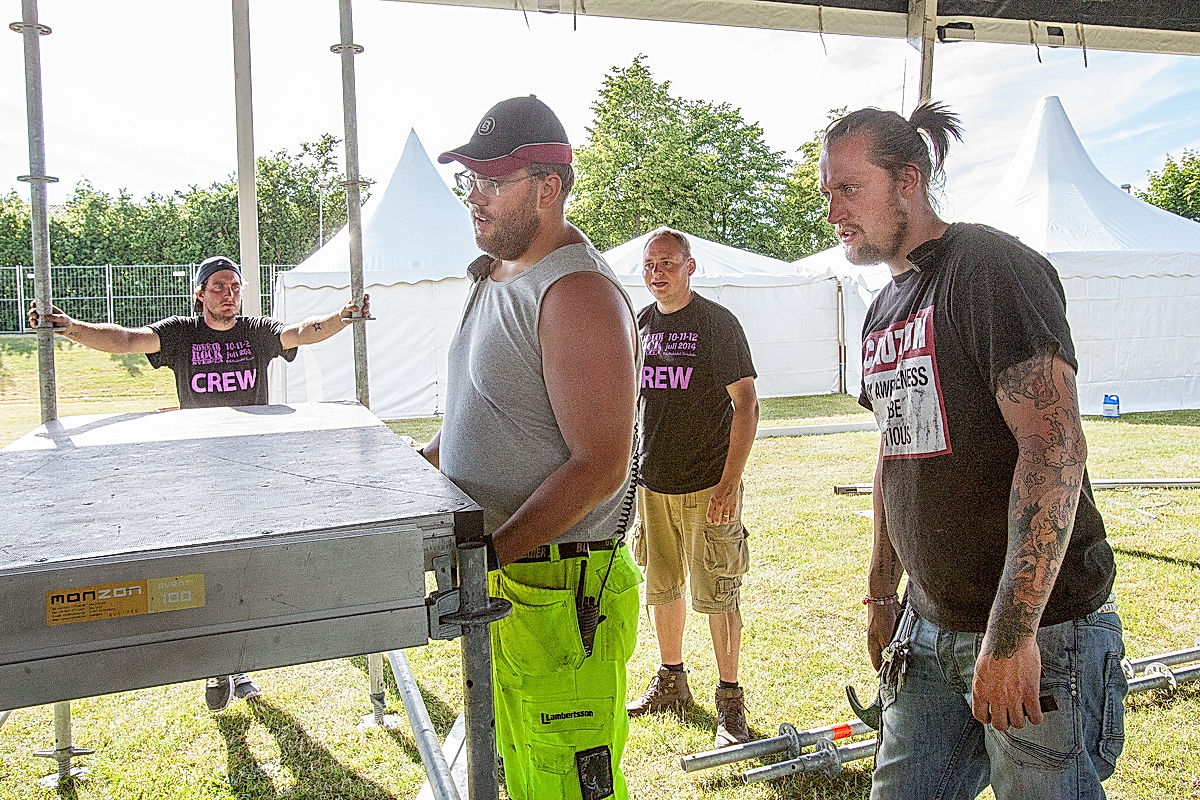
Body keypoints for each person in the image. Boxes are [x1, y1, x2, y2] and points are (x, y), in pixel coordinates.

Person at [819, 103, 1125, 800]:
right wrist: (880, 595)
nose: (832, 210)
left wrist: (1014, 635)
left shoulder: (991, 268)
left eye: (848, 188)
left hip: (1041, 631)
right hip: (928, 626)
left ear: (908, 180)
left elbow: (1054, 447)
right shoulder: (885, 307)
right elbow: (894, 459)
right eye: (826, 193)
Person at [29, 255, 369, 713]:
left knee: (248, 563)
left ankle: (238, 663)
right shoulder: (181, 333)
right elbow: (127, 339)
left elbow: (303, 332)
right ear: (199, 294)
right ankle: (217, 663)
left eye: (235, 286)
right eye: (219, 287)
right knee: (207, 569)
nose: (229, 294)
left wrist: (342, 317)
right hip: (200, 471)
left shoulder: (256, 331)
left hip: (256, 471)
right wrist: (71, 327)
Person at [423, 95, 641, 800]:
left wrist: (490, 555)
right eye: (469, 181)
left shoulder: (575, 291)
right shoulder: (495, 276)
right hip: (509, 583)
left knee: (562, 784)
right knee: (516, 777)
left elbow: (601, 465)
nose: (473, 198)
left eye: (492, 181)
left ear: (549, 188)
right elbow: (481, 415)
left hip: (557, 590)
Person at [624, 228, 758, 749]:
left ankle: (730, 699)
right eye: (650, 264)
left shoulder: (717, 323)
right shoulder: (641, 324)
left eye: (667, 263)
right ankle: (672, 681)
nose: (657, 273)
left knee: (719, 593)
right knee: (662, 588)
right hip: (653, 483)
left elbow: (745, 404)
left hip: (708, 485)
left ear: (689, 267)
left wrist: (729, 483)